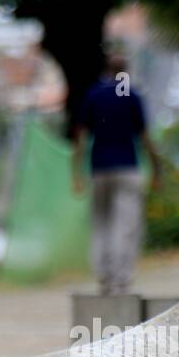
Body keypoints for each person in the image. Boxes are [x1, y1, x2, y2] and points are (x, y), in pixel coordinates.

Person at [72, 49, 162, 295]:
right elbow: (145, 138)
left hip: (98, 169)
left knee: (101, 223)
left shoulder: (93, 95)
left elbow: (80, 137)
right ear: (126, 71)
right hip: (128, 168)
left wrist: (76, 174)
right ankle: (122, 280)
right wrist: (157, 169)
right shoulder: (132, 96)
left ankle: (103, 276)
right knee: (126, 225)